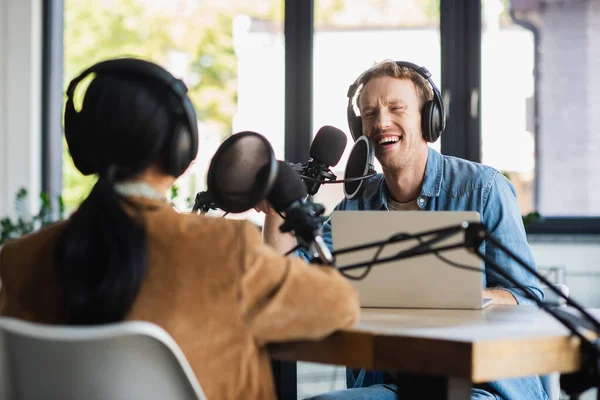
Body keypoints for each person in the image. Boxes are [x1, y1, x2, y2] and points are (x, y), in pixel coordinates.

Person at [0, 57, 360, 400]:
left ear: (82, 146)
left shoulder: (19, 259)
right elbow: (340, 304)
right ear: (179, 145)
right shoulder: (223, 248)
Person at [257, 60, 548, 400]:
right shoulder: (358, 201)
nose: (381, 123)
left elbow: (528, 296)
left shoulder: (483, 188)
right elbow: (288, 280)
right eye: (369, 114)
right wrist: (278, 208)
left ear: (428, 119)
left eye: (396, 108)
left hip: (479, 384)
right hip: (388, 381)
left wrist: (465, 299)